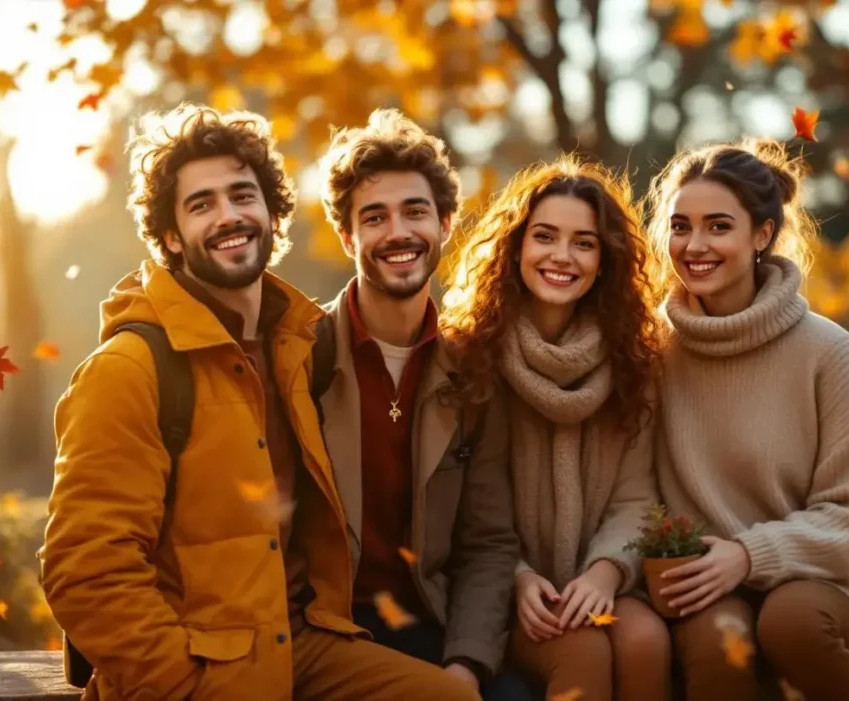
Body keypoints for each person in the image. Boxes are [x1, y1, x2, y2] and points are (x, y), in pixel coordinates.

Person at [39, 103, 481, 701]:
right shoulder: (129, 369)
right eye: (202, 204)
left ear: (272, 213)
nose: (229, 216)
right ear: (170, 236)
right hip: (192, 667)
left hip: (297, 643)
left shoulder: (293, 351)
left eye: (243, 196)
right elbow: (85, 570)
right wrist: (178, 684)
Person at [646, 138, 849, 701]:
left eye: (718, 226)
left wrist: (750, 554)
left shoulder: (825, 350)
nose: (694, 245)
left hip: (820, 584)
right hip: (704, 586)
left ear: (761, 235)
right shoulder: (651, 356)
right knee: (718, 646)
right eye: (680, 226)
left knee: (791, 625)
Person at [314, 108, 529, 700]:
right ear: (346, 235)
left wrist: (467, 661)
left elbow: (488, 543)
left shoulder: (474, 370)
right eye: (374, 217)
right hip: (329, 631)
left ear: (446, 223)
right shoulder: (302, 359)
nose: (397, 233)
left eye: (414, 211)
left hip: (432, 623)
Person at [440, 156, 672, 701]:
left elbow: (638, 495)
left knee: (643, 642)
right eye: (545, 236)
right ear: (516, 246)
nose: (562, 257)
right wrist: (517, 576)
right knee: (582, 650)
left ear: (605, 259)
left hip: (604, 581)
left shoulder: (636, 359)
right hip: (505, 590)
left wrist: (605, 575)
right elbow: (463, 505)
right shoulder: (467, 354)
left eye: (584, 243)